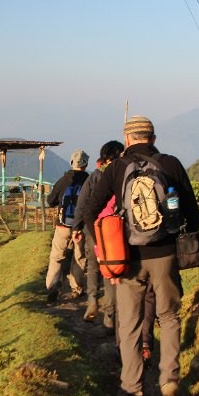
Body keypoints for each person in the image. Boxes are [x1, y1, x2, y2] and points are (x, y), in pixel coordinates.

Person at [81, 116, 199, 396]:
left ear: (127, 138)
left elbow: (90, 211)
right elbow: (194, 215)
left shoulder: (117, 168)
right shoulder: (171, 164)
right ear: (154, 138)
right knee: (169, 317)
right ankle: (169, 380)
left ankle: (132, 390)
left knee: (131, 323)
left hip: (128, 259)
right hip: (165, 255)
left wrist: (103, 248)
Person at [72, 140, 125, 329]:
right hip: (114, 230)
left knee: (93, 266)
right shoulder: (122, 175)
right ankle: (110, 317)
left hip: (92, 227)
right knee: (111, 268)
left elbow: (82, 204)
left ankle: (92, 300)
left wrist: (76, 228)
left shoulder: (94, 176)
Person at [44, 150, 89, 303]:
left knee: (57, 257)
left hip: (62, 226)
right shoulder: (89, 181)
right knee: (79, 257)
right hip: (81, 227)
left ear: (71, 162)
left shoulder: (63, 180)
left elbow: (50, 201)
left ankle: (52, 289)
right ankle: (76, 289)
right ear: (86, 164)